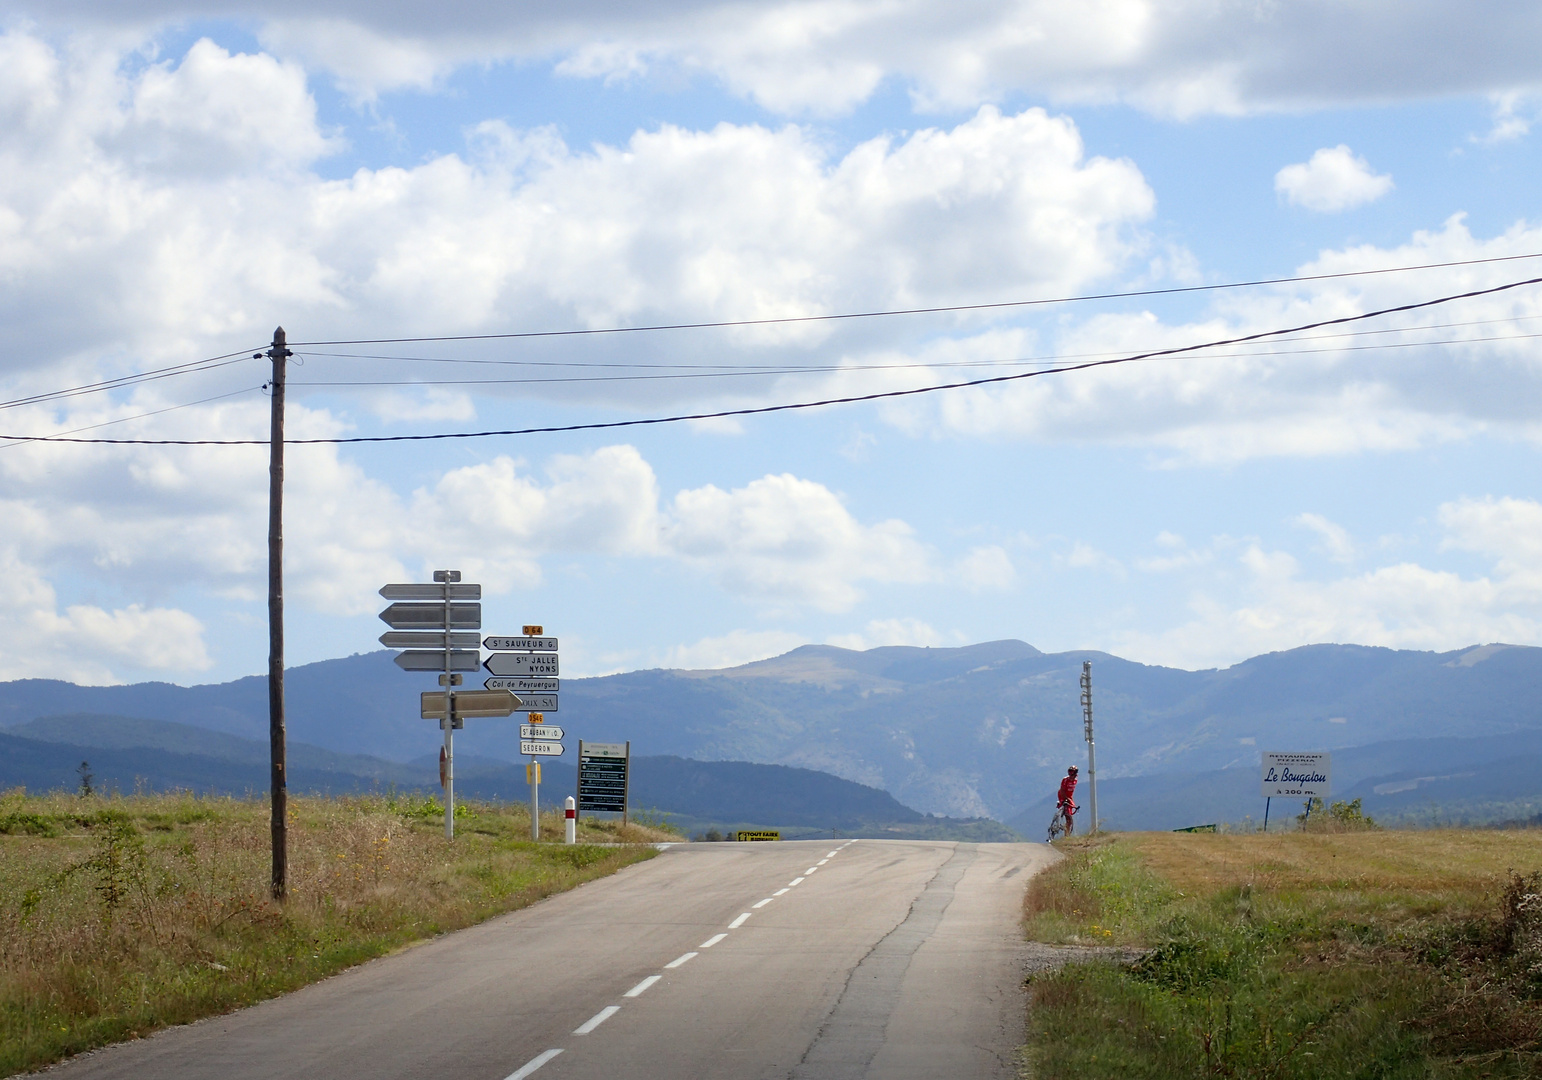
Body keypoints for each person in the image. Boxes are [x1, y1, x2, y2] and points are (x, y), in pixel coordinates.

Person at [1057, 765, 1080, 835]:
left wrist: (1070, 800)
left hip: (1069, 797)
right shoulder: (1065, 780)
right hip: (1062, 795)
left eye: (1072, 772)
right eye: (1069, 772)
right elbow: (1062, 790)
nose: (1070, 775)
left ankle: (1067, 832)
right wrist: (1065, 799)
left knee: (1070, 816)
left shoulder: (1075, 780)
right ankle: (1061, 813)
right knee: (1066, 810)